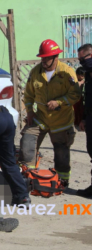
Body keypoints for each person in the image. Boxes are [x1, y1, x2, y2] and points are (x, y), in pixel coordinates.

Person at [18, 39, 81, 188]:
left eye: (47, 57)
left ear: (55, 57)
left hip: (61, 121)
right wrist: (29, 112)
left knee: (61, 152)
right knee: (27, 142)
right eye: (42, 57)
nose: (44, 60)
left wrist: (59, 102)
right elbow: (28, 95)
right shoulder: (35, 72)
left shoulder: (66, 72)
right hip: (40, 118)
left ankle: (62, 181)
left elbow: (75, 94)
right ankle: (27, 177)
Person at [76, 44, 92, 197]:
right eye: (80, 60)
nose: (81, 63)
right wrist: (85, 119)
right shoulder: (87, 73)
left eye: (83, 59)